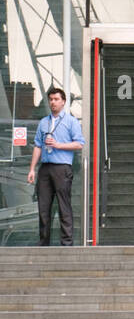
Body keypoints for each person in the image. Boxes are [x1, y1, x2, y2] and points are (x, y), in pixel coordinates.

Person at [27, 87, 85, 247]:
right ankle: (43, 241)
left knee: (63, 205)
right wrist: (32, 169)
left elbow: (79, 144)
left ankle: (66, 243)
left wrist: (58, 145)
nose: (53, 102)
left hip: (62, 168)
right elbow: (38, 146)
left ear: (63, 102)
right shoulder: (43, 122)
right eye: (51, 99)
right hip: (45, 168)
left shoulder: (71, 121)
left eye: (56, 99)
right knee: (43, 206)